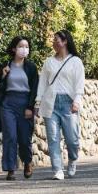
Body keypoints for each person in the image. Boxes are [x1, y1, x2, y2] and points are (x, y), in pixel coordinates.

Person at [35, 29, 85, 181]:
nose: (54, 42)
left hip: (69, 103)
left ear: (65, 42)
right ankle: (57, 169)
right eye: (53, 39)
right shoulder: (48, 62)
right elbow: (42, 83)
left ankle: (72, 158)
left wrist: (76, 101)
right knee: (53, 138)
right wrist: (38, 102)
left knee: (72, 139)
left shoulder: (76, 61)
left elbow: (79, 84)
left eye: (57, 39)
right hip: (51, 103)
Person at [0, 36, 38, 180]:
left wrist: (30, 107)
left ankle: (27, 161)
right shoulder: (6, 65)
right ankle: (10, 168)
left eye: (26, 46)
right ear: (14, 48)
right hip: (8, 103)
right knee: (10, 136)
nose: (24, 49)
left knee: (25, 139)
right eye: (21, 46)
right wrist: (3, 75)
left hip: (25, 102)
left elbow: (34, 89)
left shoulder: (31, 67)